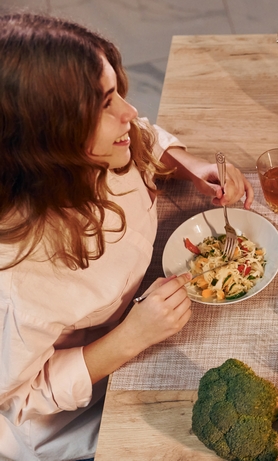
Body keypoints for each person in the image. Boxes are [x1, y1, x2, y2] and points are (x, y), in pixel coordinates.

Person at [0, 13, 255, 460]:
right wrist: (131, 337)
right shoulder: (16, 278)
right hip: (84, 403)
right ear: (47, 139)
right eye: (103, 104)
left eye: (116, 90)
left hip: (147, 310)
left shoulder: (95, 148)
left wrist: (188, 164)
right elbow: (20, 396)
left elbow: (140, 134)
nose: (128, 111)